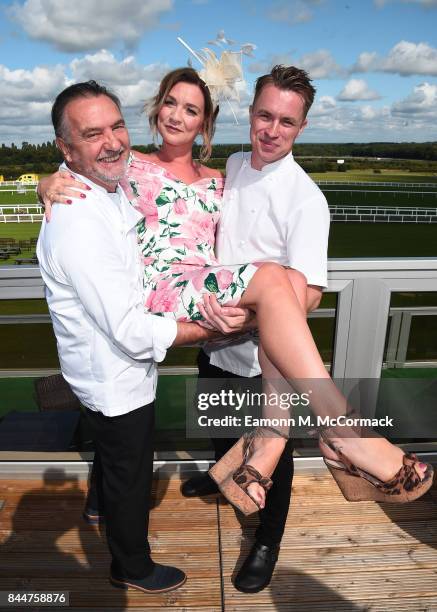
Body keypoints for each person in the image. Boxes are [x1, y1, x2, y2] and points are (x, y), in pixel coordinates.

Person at [39, 68, 433, 587]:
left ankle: (268, 536)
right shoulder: (198, 165)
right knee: (216, 423)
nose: (271, 128)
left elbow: (307, 292)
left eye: (285, 121)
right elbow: (84, 163)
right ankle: (333, 436)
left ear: (207, 123)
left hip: (262, 342)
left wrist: (258, 308)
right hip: (197, 315)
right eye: (264, 115)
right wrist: (47, 182)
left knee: (281, 306)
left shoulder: (271, 190)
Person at [36, 80, 249, 595]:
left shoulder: (96, 184)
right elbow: (132, 333)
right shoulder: (78, 219)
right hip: (115, 374)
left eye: (115, 126)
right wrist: (210, 326)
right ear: (67, 147)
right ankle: (130, 566)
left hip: (98, 367)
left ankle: (96, 504)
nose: (111, 141)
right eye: (92, 133)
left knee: (110, 451)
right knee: (132, 469)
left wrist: (47, 179)